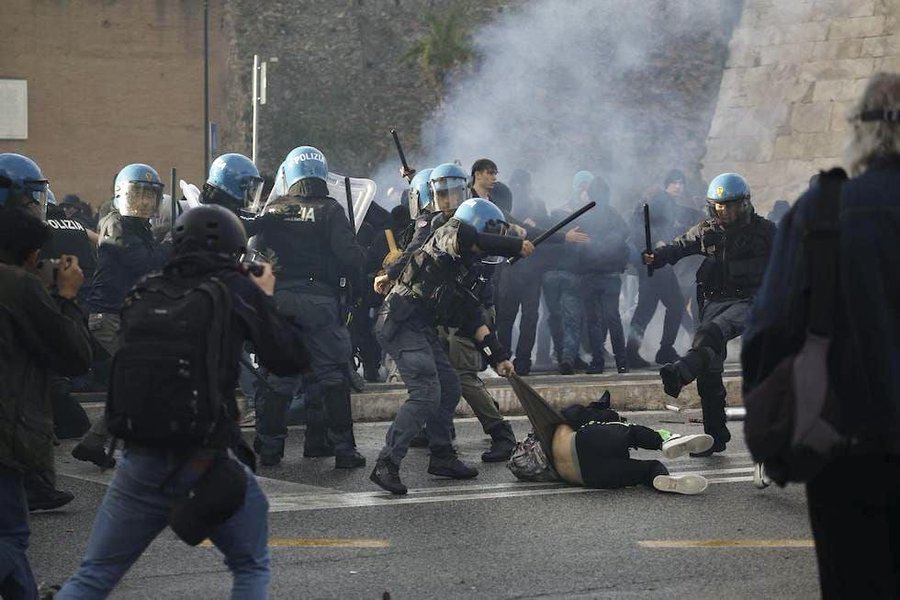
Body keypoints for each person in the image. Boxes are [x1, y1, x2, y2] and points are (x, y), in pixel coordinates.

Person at [55, 205, 310, 599]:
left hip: (138, 456)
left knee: (95, 574)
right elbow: (289, 359)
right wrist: (266, 297)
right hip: (204, 458)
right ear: (234, 248)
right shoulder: (236, 287)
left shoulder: (148, 287)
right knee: (250, 565)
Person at [742, 72, 900, 599]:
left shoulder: (823, 210)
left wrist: (778, 431)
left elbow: (768, 332)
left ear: (861, 129)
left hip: (845, 449)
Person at [370, 198, 534, 494]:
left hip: (420, 329)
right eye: (487, 238)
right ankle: (387, 463)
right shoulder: (445, 236)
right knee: (426, 394)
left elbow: (474, 318)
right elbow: (467, 238)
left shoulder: (464, 271)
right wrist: (512, 246)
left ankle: (442, 456)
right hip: (400, 323)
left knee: (450, 385)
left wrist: (499, 358)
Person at [250, 146, 366, 469]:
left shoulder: (273, 211)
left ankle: (271, 449)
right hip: (321, 303)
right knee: (332, 377)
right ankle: (343, 450)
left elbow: (255, 257)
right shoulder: (331, 211)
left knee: (277, 377)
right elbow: (351, 259)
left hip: (281, 300)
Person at [644, 172, 775, 456]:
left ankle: (680, 372)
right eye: (719, 206)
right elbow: (679, 247)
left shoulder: (766, 232)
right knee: (708, 371)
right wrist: (656, 256)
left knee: (711, 333)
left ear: (745, 204)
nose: (725, 212)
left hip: (749, 302)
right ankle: (716, 436)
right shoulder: (707, 230)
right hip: (713, 301)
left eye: (731, 205)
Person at [0, 204, 93, 599]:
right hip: (6, 431)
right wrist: (68, 297)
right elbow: (74, 355)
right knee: (9, 533)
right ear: (29, 254)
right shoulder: (17, 286)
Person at [71, 163, 169, 469]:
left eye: (148, 197)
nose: (142, 203)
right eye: (136, 195)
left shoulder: (141, 229)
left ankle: (93, 444)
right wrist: (173, 242)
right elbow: (144, 263)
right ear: (121, 195)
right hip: (108, 317)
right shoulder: (115, 224)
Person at [510, 391, 712, 494]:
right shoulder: (577, 417)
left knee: (648, 467)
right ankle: (665, 440)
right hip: (584, 445)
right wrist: (611, 418)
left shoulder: (539, 439)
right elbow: (578, 414)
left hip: (586, 476)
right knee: (632, 433)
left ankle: (659, 479)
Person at [626, 170, 695, 368]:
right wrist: (656, 240)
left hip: (655, 262)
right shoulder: (659, 200)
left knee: (646, 308)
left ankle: (632, 350)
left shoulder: (670, 204)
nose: (678, 187)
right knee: (675, 305)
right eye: (674, 182)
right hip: (655, 263)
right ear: (666, 185)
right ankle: (666, 349)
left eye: (681, 183)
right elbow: (639, 223)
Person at [576, 175, 629, 374]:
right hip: (609, 274)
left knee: (594, 321)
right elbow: (624, 234)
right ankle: (621, 363)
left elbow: (578, 243)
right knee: (612, 318)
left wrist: (594, 244)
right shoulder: (613, 214)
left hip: (591, 275)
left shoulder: (585, 214)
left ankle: (597, 362)